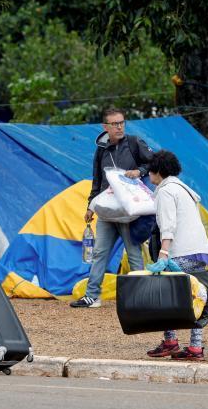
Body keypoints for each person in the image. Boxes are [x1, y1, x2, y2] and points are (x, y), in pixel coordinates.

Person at [71, 108, 153, 308]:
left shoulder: (134, 142)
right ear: (105, 127)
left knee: (133, 254)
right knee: (99, 252)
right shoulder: (101, 150)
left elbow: (154, 163)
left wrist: (139, 171)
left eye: (122, 122)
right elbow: (97, 180)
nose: (119, 127)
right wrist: (90, 206)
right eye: (115, 124)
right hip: (107, 211)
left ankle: (141, 297)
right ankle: (92, 296)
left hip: (128, 211)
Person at [145, 150, 208, 361]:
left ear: (158, 171)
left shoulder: (165, 191)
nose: (148, 173)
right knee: (197, 296)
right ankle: (195, 347)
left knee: (165, 294)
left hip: (179, 252)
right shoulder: (185, 189)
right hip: (199, 251)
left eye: (150, 169)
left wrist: (163, 254)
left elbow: (168, 225)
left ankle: (170, 341)